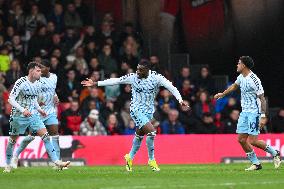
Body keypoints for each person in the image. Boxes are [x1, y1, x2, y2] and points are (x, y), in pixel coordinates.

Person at [81, 59, 189, 172]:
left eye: (141, 70)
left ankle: (130, 157)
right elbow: (116, 80)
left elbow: (171, 87)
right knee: (151, 132)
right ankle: (151, 160)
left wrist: (180, 100)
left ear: (147, 70)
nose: (138, 71)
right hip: (136, 110)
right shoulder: (133, 77)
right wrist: (96, 83)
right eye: (137, 68)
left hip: (148, 111)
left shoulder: (156, 77)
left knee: (140, 135)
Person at [214, 56, 281, 171]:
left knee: (253, 141)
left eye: (239, 63)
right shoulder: (241, 76)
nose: (237, 65)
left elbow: (262, 98)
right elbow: (234, 86)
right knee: (241, 139)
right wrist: (222, 94)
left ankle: (275, 152)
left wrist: (263, 116)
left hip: (254, 113)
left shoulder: (254, 80)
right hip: (244, 113)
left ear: (244, 65)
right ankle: (256, 163)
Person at [3, 62, 69, 173]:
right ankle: (8, 165)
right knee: (12, 140)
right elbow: (11, 99)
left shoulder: (38, 84)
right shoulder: (21, 82)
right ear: (31, 71)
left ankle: (57, 162)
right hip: (18, 115)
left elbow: (33, 99)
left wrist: (39, 109)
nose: (40, 72)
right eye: (38, 71)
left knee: (46, 137)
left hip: (33, 115)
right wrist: (23, 110)